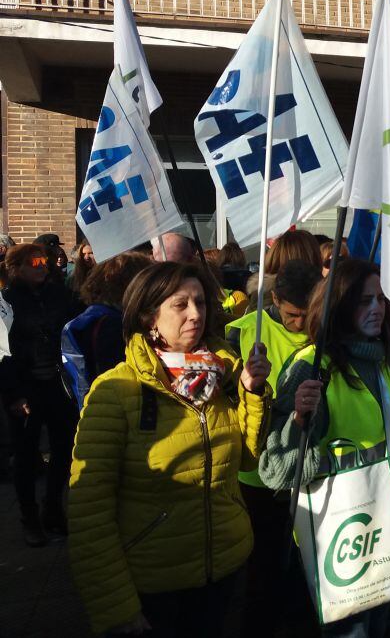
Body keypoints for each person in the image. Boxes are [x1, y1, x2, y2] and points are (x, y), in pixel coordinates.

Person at [67, 261, 271, 636]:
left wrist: (252, 394)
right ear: (149, 317)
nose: (196, 313)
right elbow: (89, 513)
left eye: (200, 302)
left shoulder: (218, 373)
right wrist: (117, 607)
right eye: (181, 305)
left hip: (223, 568)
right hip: (154, 587)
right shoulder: (115, 392)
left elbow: (245, 458)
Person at [259, 259, 390, 638]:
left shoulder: (382, 363)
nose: (376, 308)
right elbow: (276, 471)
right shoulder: (312, 367)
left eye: (380, 298)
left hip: (386, 528)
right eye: (364, 301)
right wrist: (298, 423)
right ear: (339, 307)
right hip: (341, 537)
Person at [225, 258, 322, 636]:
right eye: (293, 314)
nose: (300, 323)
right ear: (275, 298)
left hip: (309, 468)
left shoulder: (327, 326)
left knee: (305, 570)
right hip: (258, 476)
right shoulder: (242, 332)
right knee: (263, 571)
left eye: (307, 313)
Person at [0, 243, 82, 546]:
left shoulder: (59, 295)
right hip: (25, 386)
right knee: (25, 454)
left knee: (63, 448)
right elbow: (3, 355)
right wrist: (13, 395)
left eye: (45, 262)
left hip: (57, 385)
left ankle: (53, 508)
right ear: (16, 267)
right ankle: (29, 518)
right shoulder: (7, 303)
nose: (42, 266)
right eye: (35, 262)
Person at [61, 251, 155, 408]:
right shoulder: (112, 323)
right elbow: (116, 377)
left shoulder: (93, 316)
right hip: (114, 407)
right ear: (131, 284)